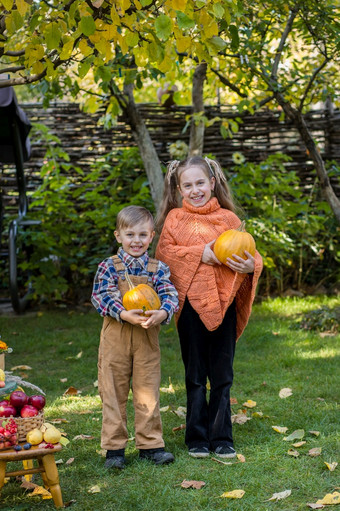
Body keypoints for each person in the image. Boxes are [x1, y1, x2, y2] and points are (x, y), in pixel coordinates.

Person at [156, 156, 263, 459]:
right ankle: (197, 437)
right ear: (179, 189)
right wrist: (199, 253)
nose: (195, 190)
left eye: (200, 183)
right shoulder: (175, 219)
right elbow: (166, 253)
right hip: (190, 307)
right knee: (194, 374)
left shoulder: (229, 220)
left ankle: (221, 436)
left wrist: (250, 265)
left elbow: (252, 255)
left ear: (212, 183)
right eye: (187, 185)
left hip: (224, 304)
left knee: (222, 373)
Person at [91, 205, 179, 469]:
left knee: (148, 391)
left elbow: (169, 294)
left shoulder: (158, 268)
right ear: (118, 236)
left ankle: (151, 445)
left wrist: (163, 313)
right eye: (130, 235)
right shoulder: (109, 267)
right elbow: (101, 296)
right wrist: (123, 313)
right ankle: (115, 449)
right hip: (116, 336)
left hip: (146, 338)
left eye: (142, 235)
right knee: (113, 391)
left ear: (151, 236)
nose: (136, 241)